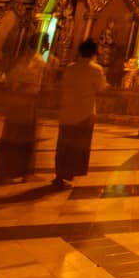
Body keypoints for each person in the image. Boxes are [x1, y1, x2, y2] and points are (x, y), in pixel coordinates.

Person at [0, 39, 46, 184]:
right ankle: (23, 172)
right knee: (24, 138)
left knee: (10, 136)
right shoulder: (38, 61)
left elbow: (11, 80)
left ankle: (2, 171)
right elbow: (35, 82)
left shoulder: (20, 60)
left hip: (16, 104)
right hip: (27, 103)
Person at [53, 38, 106, 189]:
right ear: (94, 53)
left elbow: (63, 85)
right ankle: (69, 174)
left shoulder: (70, 67)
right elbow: (101, 87)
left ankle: (60, 174)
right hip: (84, 113)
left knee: (63, 144)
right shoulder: (95, 69)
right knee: (77, 146)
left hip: (67, 111)